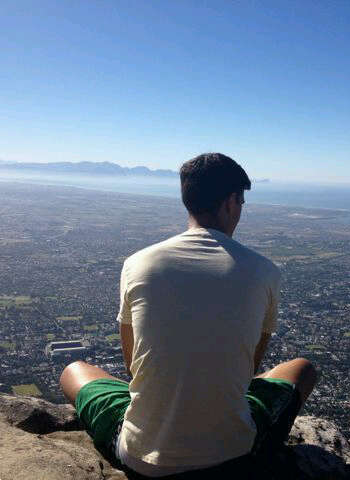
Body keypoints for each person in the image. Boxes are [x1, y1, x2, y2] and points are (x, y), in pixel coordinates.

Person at [59, 153, 317, 478]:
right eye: (241, 202)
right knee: (302, 369)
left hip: (141, 458)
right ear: (230, 202)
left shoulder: (138, 263)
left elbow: (132, 366)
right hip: (236, 454)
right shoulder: (264, 271)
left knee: (74, 370)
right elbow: (248, 371)